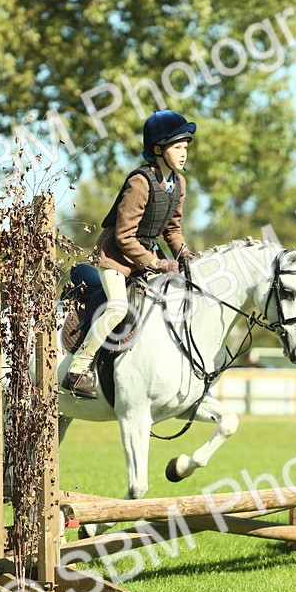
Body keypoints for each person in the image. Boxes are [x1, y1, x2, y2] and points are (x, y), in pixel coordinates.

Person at [62, 109, 198, 399]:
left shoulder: (179, 183)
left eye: (186, 147)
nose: (184, 153)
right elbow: (124, 235)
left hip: (146, 257)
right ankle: (78, 369)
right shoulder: (140, 181)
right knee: (118, 308)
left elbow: (172, 229)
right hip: (115, 258)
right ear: (158, 149)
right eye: (177, 147)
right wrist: (156, 262)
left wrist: (184, 253)